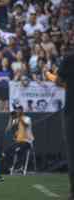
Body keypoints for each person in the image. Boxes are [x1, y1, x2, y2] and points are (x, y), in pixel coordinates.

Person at [45, 52, 74, 200]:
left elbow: (60, 82)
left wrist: (49, 75)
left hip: (72, 112)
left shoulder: (69, 58)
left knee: (72, 152)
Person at [3, 104, 34, 173]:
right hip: (18, 142)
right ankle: (9, 167)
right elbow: (7, 129)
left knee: (18, 150)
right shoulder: (16, 120)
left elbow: (26, 125)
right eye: (17, 109)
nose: (18, 111)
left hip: (27, 141)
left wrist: (19, 117)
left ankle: (20, 167)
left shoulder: (27, 118)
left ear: (22, 110)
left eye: (19, 109)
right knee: (5, 152)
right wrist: (11, 118)